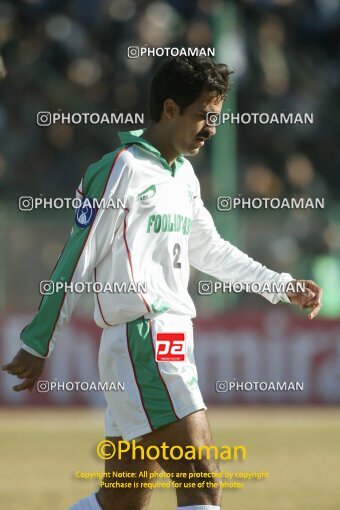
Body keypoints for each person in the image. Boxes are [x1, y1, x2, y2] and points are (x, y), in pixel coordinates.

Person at [2, 56, 322, 510]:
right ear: (169, 109)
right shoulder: (123, 168)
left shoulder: (183, 175)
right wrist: (39, 343)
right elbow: (78, 256)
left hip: (164, 339)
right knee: (201, 481)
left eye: (216, 117)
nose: (211, 128)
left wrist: (280, 284)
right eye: (202, 115)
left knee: (123, 500)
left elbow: (210, 249)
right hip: (145, 338)